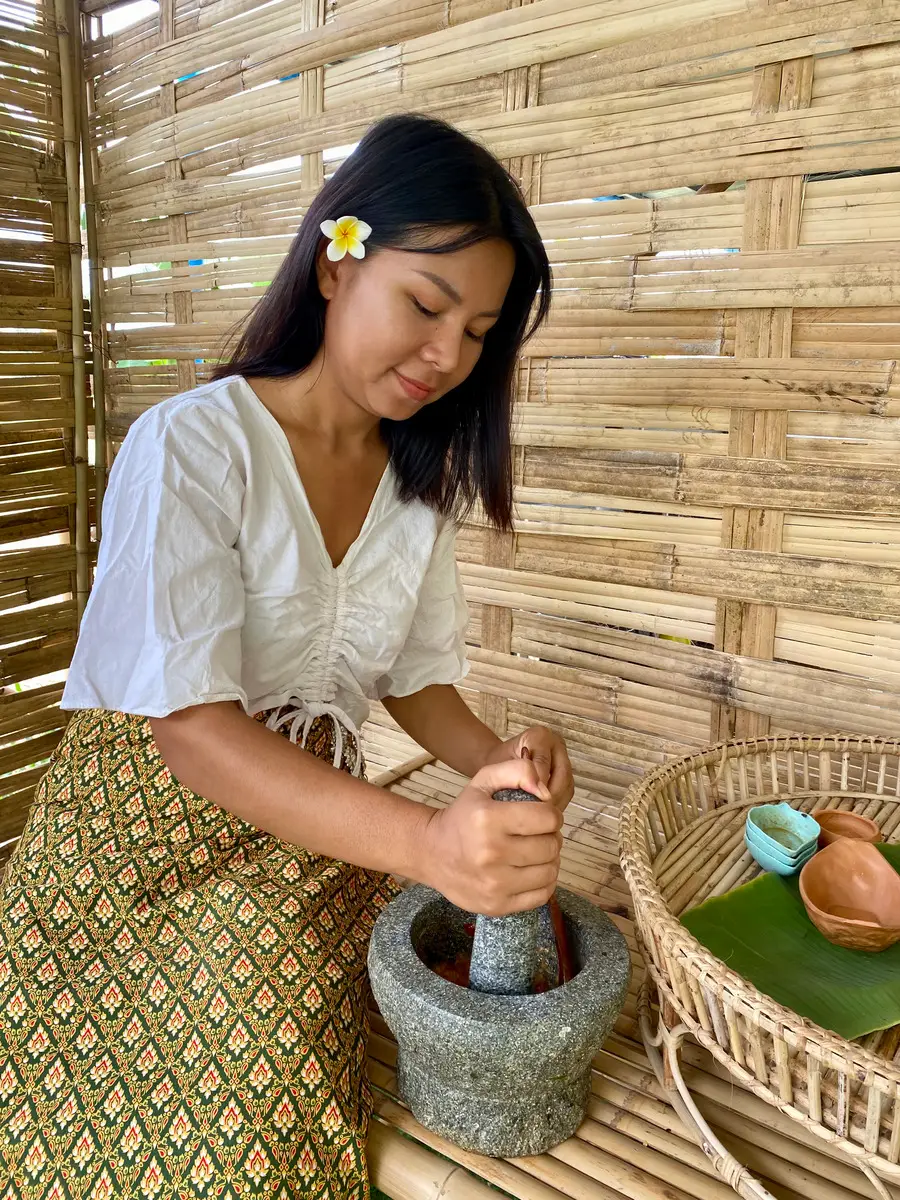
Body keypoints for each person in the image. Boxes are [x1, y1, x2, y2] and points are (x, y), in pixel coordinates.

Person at [0, 113, 573, 1200]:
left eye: (480, 333)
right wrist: (426, 842)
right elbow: (193, 731)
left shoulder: (418, 492)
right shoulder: (196, 446)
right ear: (334, 262)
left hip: (316, 831)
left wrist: (500, 759)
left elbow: (412, 680)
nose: (447, 355)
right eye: (426, 304)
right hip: (136, 849)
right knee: (221, 1109)